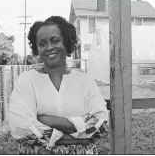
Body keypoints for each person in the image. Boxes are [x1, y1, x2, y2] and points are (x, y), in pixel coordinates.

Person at [8, 16, 108, 154]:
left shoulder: (85, 81)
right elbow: (21, 128)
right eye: (42, 44)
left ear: (66, 43)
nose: (49, 47)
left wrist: (45, 119)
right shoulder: (26, 80)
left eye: (55, 41)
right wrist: (81, 136)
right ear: (37, 48)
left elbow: (101, 124)